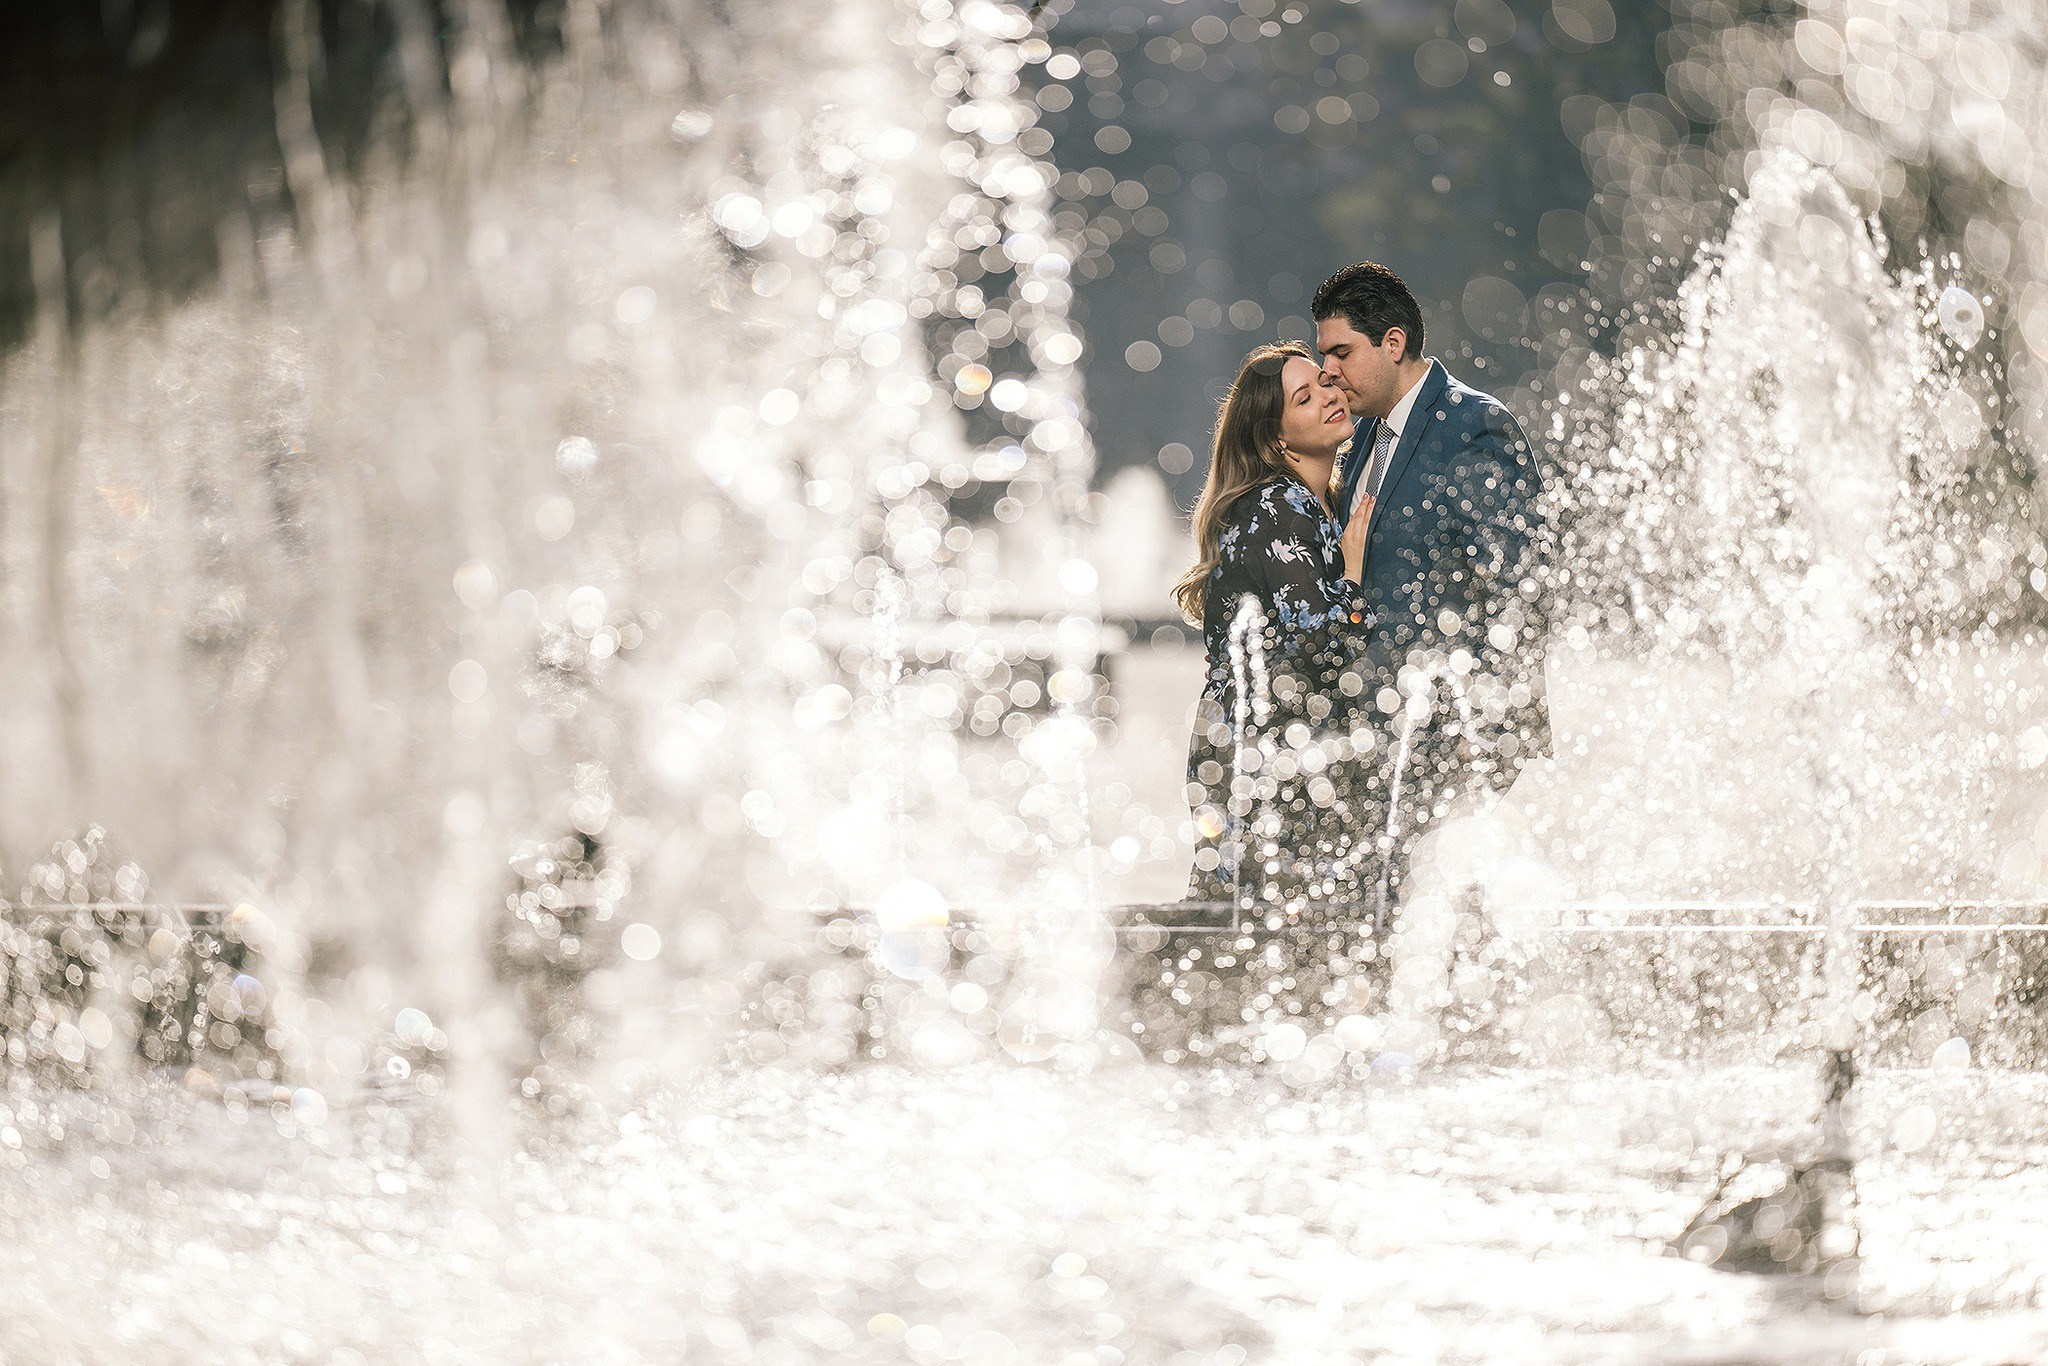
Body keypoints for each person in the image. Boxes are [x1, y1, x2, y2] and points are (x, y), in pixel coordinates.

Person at [1313, 261, 1552, 917]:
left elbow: (1517, 580)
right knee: (1385, 904)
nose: (1328, 371)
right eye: (1323, 355)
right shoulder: (1362, 438)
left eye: (1341, 352)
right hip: (1376, 727)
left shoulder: (1473, 425)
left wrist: (1488, 711)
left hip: (1454, 726)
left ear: (1393, 343)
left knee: (1423, 901)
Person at [1170, 341, 1377, 918]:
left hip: (1249, 743)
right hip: (1264, 752)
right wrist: (1355, 577)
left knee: (1240, 922)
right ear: (1274, 440)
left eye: (1325, 383)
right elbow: (1322, 645)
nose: (1330, 397)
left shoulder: (1302, 505)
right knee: (1270, 926)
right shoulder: (1281, 506)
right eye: (1304, 398)